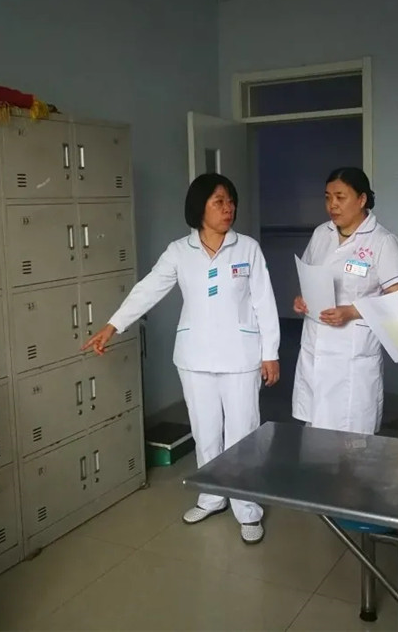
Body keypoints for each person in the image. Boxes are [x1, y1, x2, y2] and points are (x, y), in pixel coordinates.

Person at [82, 174, 280, 544]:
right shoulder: (179, 251)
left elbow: (264, 302)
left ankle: (247, 508)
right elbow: (148, 289)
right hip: (194, 356)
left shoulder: (247, 248)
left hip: (241, 356)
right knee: (206, 432)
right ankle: (212, 497)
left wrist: (271, 353)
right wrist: (113, 325)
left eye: (231, 201)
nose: (228, 208)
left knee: (243, 434)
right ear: (199, 207)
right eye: (219, 201)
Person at [292, 167, 398, 433]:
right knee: (315, 433)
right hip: (315, 347)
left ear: (362, 199)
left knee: (351, 440)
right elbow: (308, 276)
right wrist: (302, 299)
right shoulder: (321, 233)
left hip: (352, 354)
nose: (332, 205)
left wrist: (351, 312)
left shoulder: (382, 241)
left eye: (340, 197)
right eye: (327, 197)